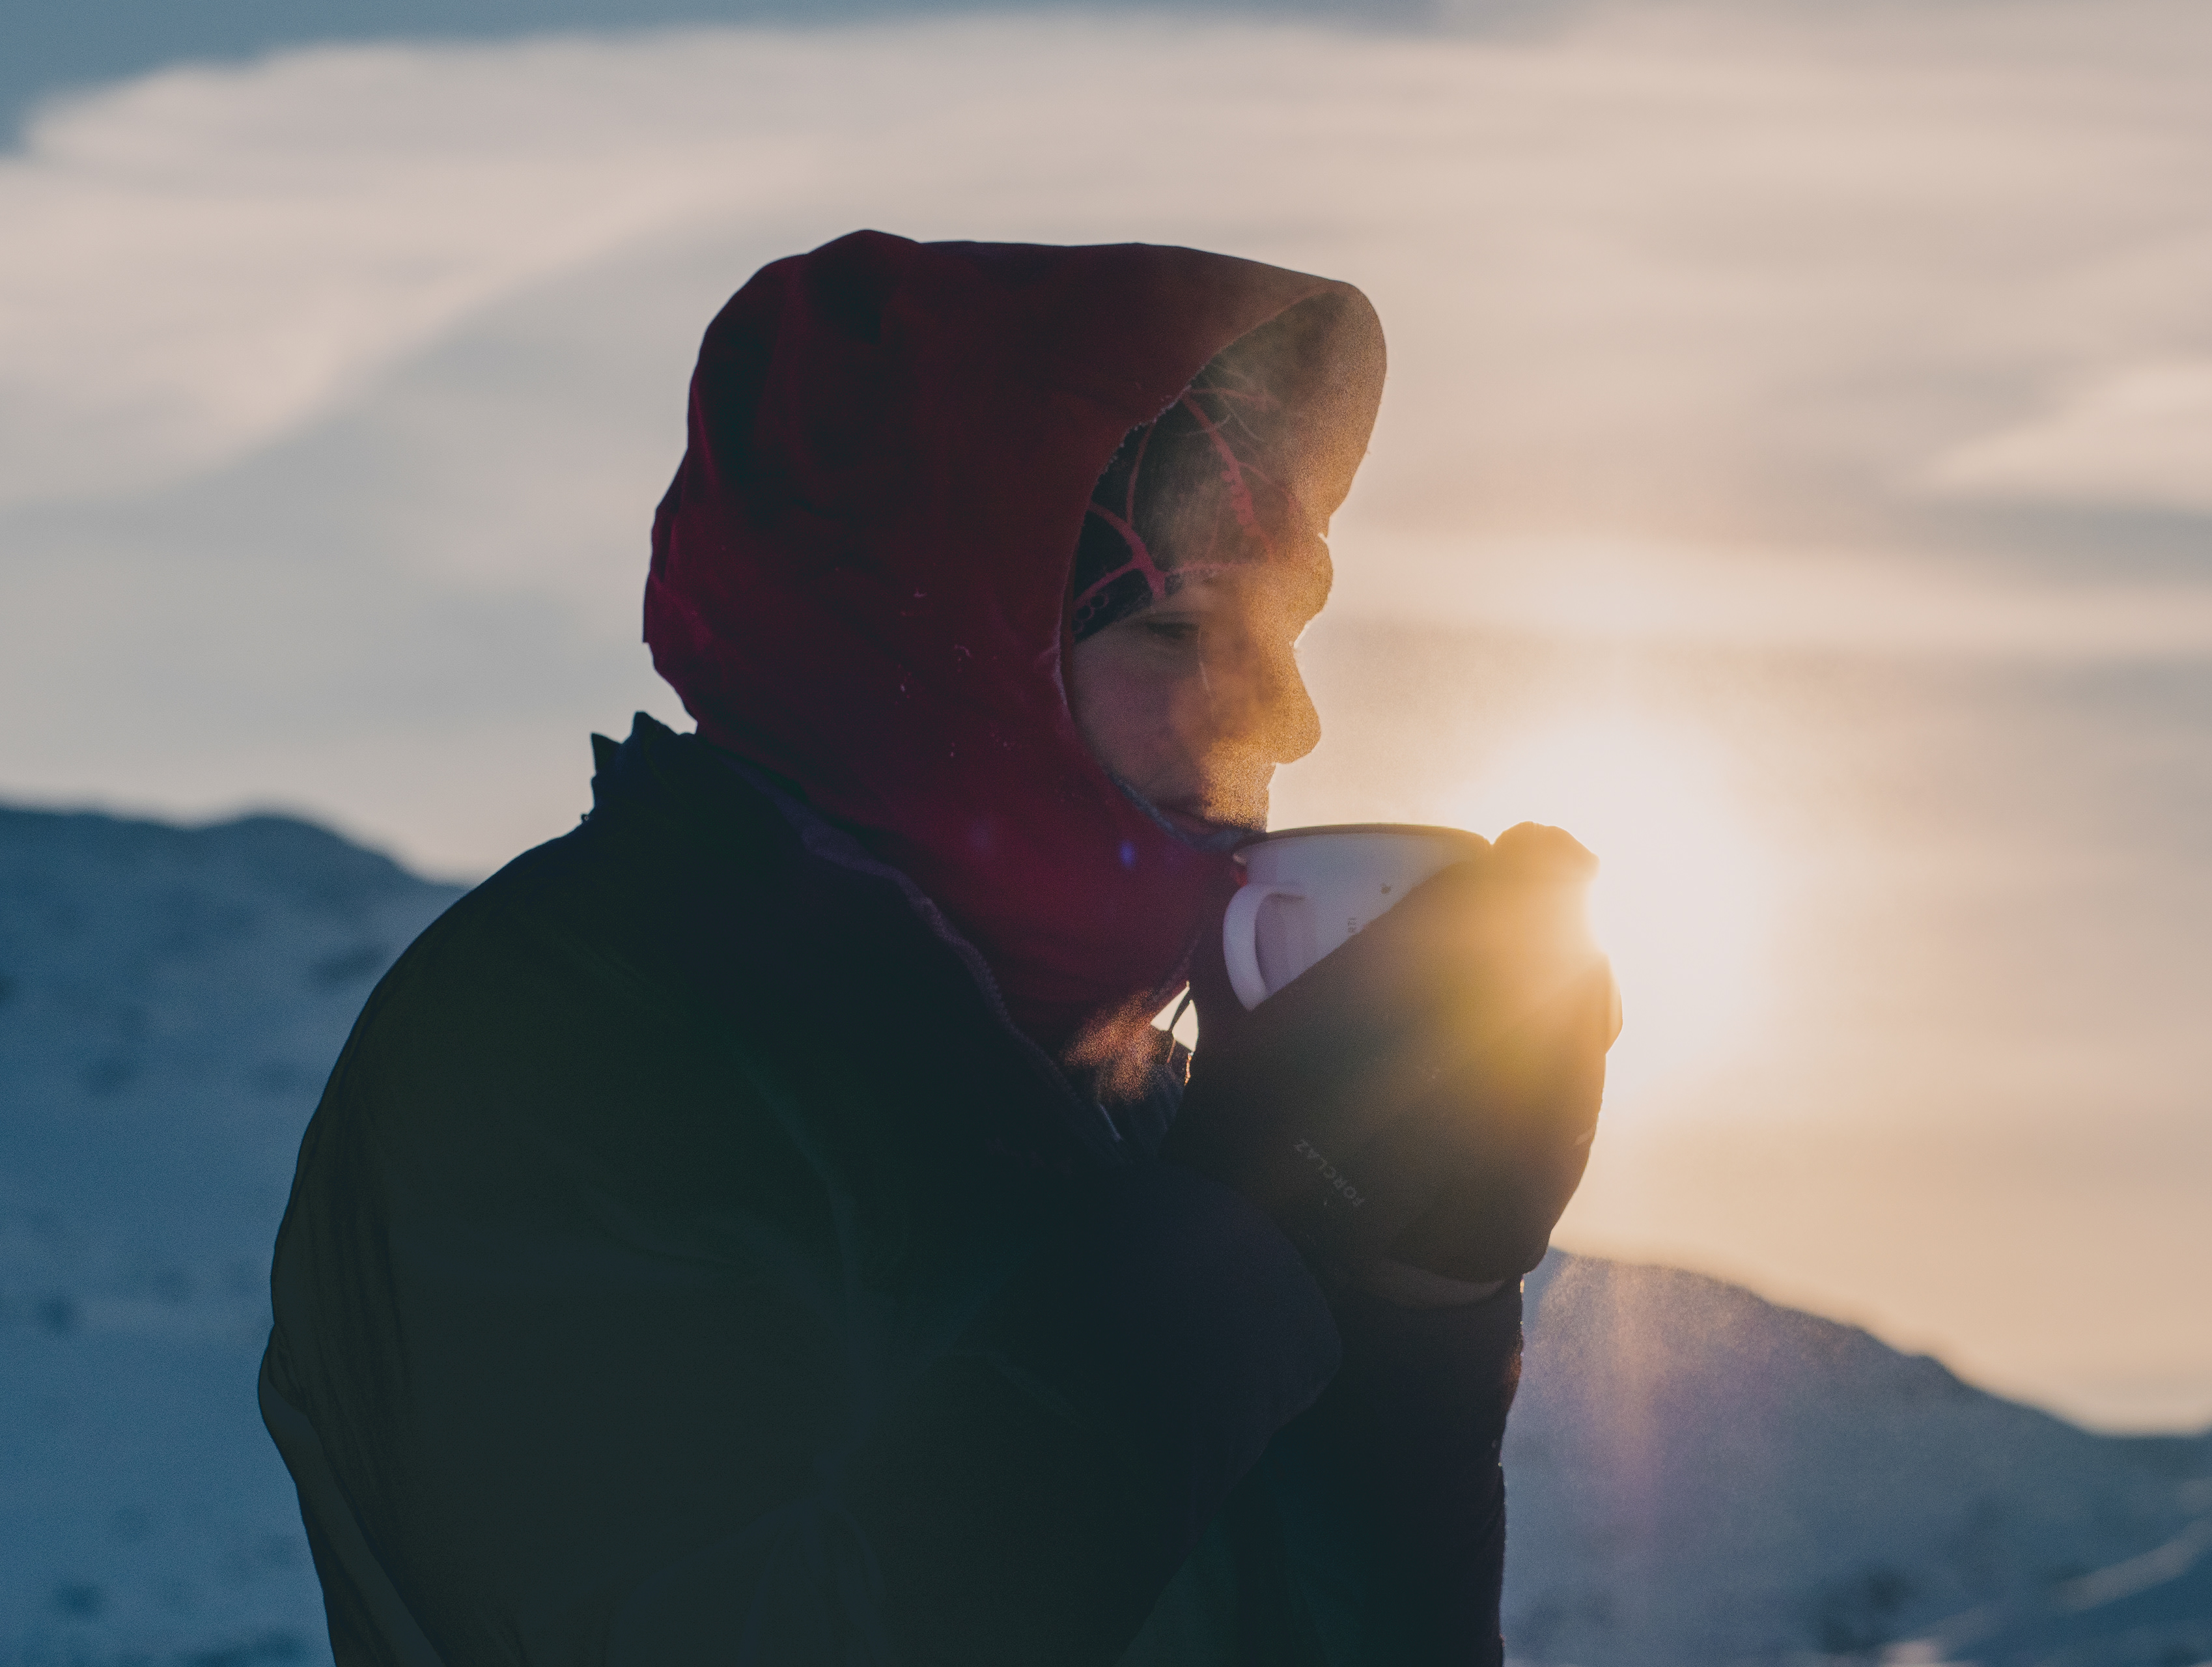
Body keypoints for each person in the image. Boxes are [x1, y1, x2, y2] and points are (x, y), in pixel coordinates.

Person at [259, 231, 1618, 1666]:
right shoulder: (565, 1041)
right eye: (1174, 628)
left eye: (1282, 633)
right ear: (938, 646)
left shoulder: (1122, 1102)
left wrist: (1422, 1304)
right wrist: (1255, 1228)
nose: (1288, 715)